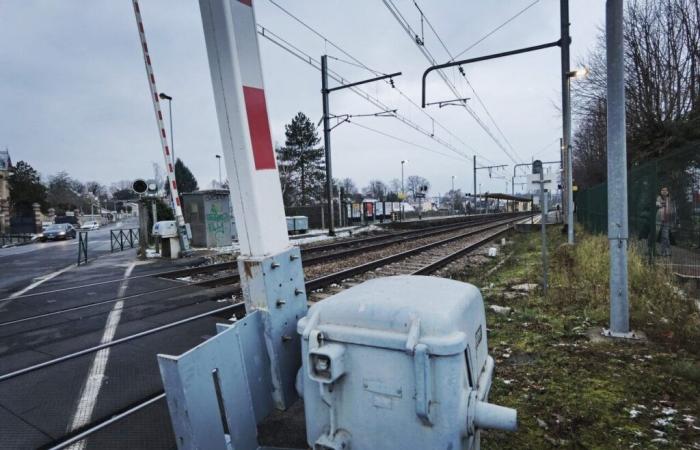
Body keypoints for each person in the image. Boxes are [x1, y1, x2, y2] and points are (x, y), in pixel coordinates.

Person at [656, 186, 676, 257]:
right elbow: (657, 204)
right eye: (662, 190)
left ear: (667, 192)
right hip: (658, 220)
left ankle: (664, 252)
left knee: (665, 236)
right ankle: (666, 251)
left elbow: (673, 210)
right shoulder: (658, 198)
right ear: (661, 191)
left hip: (667, 221)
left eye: (665, 190)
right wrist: (662, 204)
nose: (664, 191)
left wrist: (674, 221)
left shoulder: (670, 199)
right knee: (660, 237)